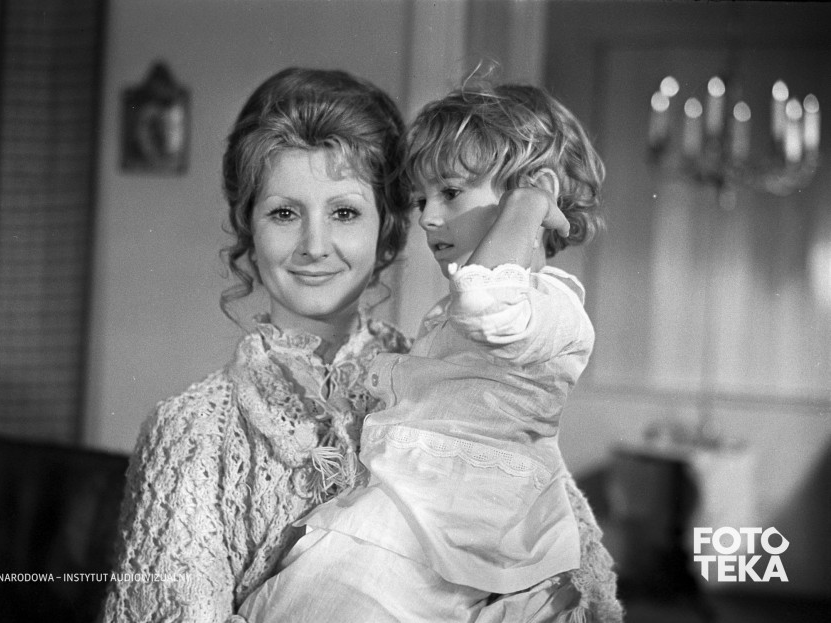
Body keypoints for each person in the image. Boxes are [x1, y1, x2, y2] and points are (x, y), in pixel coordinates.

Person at [238, 81, 624, 622]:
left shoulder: (548, 305)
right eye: (421, 200)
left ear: (532, 195)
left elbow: (486, 302)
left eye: (451, 193)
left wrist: (528, 204)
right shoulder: (461, 311)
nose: (425, 217)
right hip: (418, 518)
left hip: (442, 533)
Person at [100, 67, 413, 622]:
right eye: (284, 213)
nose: (315, 245)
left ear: (385, 226)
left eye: (344, 212)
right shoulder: (192, 433)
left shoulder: (452, 389)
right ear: (249, 225)